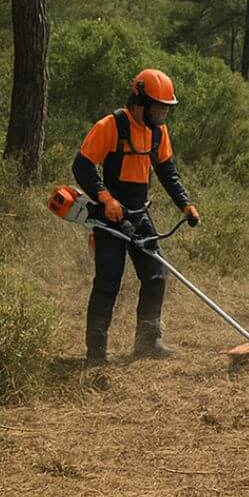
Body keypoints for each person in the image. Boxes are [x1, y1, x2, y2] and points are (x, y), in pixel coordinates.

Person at [73, 68, 199, 364]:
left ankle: (148, 342)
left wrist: (185, 203)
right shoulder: (111, 126)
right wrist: (105, 198)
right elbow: (82, 166)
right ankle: (96, 353)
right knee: (108, 281)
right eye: (159, 108)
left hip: (140, 215)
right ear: (140, 100)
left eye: (167, 109)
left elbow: (167, 171)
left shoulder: (158, 132)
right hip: (109, 218)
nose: (163, 115)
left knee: (156, 276)